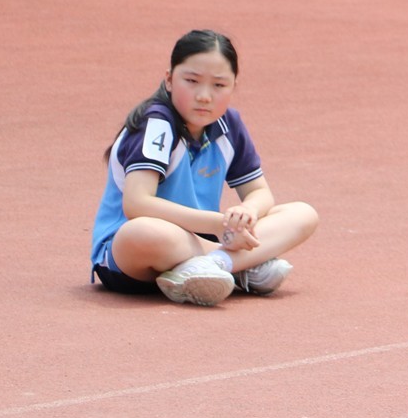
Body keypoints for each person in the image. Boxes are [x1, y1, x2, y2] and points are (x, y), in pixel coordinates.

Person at [89, 30, 320, 307]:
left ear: (233, 86)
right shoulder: (156, 124)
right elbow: (137, 204)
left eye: (219, 85)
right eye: (191, 81)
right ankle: (241, 264)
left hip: (201, 239)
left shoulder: (229, 125)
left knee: (303, 214)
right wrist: (219, 224)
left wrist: (248, 212)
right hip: (132, 258)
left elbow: (259, 192)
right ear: (169, 79)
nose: (204, 96)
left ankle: (216, 263)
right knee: (142, 232)